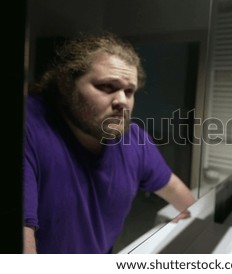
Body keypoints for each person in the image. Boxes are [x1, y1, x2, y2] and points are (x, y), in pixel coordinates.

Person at [23, 33, 196, 254]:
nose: (122, 101)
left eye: (129, 91)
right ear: (66, 83)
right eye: (106, 86)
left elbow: (174, 189)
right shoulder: (27, 128)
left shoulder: (134, 139)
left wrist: (192, 222)